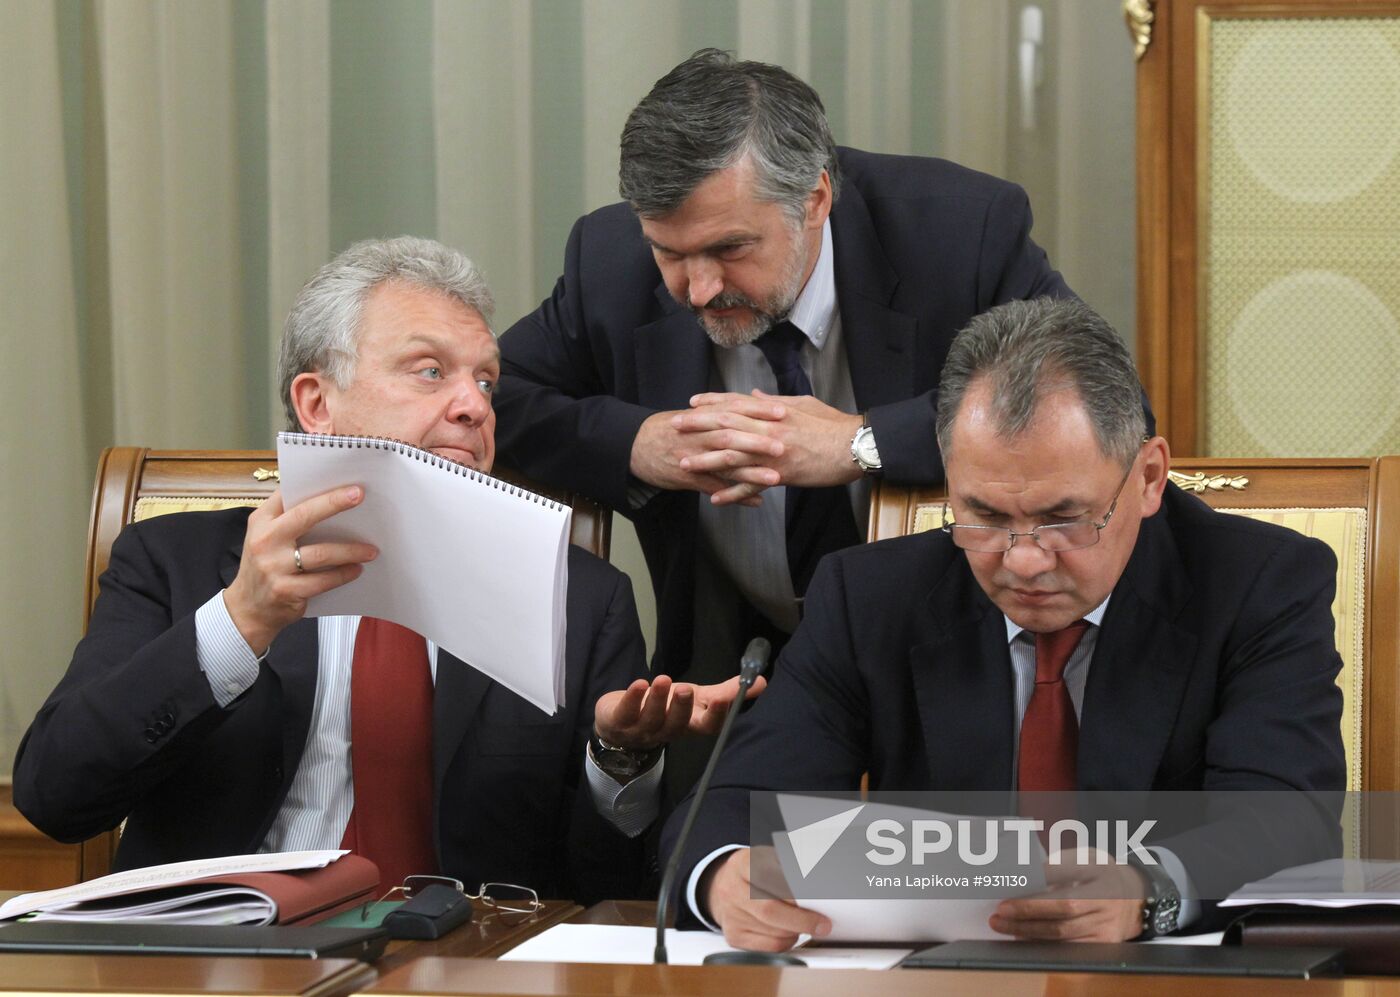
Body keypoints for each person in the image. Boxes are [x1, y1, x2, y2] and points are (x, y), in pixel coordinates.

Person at [14, 237, 760, 904]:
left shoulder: (579, 597)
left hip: (468, 975)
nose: (473, 405)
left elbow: (605, 885)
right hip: (224, 967)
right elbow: (57, 795)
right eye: (430, 371)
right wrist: (239, 620)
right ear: (317, 402)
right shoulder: (173, 563)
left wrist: (619, 757)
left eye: (487, 381)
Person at [664, 296, 1346, 949]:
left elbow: (1285, 819)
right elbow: (730, 806)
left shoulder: (1259, 583)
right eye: (985, 516)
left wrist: (1150, 887)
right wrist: (726, 875)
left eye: (1062, 518)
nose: (1022, 561)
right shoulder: (869, 596)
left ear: (1147, 477)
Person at [494, 49, 1076, 695]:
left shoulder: (959, 229)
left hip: (955, 663)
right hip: (737, 677)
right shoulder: (608, 261)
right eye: (669, 252)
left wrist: (863, 442)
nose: (698, 287)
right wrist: (639, 444)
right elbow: (495, 394)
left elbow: (1085, 396)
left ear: (816, 198)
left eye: (730, 248)